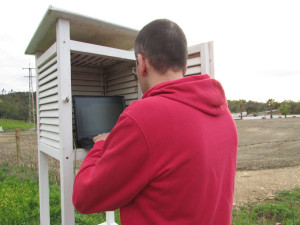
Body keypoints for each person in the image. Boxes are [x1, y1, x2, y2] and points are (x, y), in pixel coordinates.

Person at [73, 19, 238, 225]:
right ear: (185, 66)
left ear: (142, 63)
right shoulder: (224, 114)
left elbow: (84, 197)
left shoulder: (142, 117)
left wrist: (100, 145)